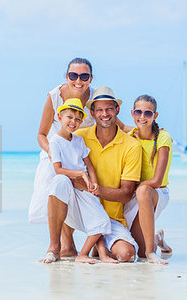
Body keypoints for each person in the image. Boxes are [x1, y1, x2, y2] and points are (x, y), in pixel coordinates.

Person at [51, 86, 142, 262]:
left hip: (111, 218)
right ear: (92, 113)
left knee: (127, 255)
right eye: (99, 109)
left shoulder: (132, 146)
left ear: (117, 110)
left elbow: (126, 195)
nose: (104, 114)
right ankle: (60, 246)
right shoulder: (78, 136)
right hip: (80, 211)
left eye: (109, 108)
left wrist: (94, 188)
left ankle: (100, 246)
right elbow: (59, 169)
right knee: (59, 182)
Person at [29, 58, 95, 257]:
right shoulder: (54, 96)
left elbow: (114, 122)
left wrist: (137, 130)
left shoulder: (95, 97)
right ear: (67, 76)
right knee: (57, 182)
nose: (78, 80)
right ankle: (64, 245)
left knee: (87, 188)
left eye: (84, 76)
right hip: (54, 149)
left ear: (90, 78)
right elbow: (41, 134)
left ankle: (96, 240)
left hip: (82, 151)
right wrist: (52, 152)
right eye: (73, 75)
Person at [42, 98, 117, 264]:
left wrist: (94, 182)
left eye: (77, 119)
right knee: (60, 180)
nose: (73, 122)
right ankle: (54, 247)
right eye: (69, 117)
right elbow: (58, 169)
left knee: (101, 221)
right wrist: (80, 175)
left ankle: (88, 254)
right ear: (60, 117)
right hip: (69, 187)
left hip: (84, 189)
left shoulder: (79, 141)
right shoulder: (54, 141)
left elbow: (89, 165)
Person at [117, 94, 173, 264]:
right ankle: (157, 238)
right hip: (138, 194)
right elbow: (114, 120)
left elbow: (156, 180)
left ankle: (151, 253)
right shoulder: (132, 134)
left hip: (156, 192)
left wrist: (134, 187)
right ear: (132, 113)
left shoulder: (162, 137)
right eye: (138, 112)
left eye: (148, 113)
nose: (142, 117)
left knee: (143, 190)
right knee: (137, 250)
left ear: (155, 116)